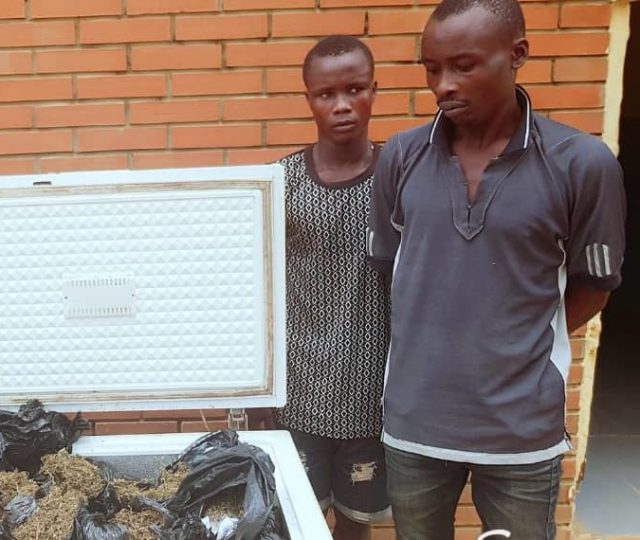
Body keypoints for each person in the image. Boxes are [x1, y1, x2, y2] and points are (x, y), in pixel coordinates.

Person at [367, 0, 626, 538]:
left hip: (520, 430)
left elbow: (595, 286)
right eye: (432, 69)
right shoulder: (401, 156)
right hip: (416, 422)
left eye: (464, 66)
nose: (443, 86)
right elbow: (392, 272)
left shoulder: (581, 162)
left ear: (517, 55)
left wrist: (512, 346)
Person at [251, 35, 391, 540]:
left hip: (374, 398)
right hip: (300, 393)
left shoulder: (398, 177)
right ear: (308, 99)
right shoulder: (282, 182)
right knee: (297, 521)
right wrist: (259, 392)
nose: (342, 105)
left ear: (374, 91)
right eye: (326, 94)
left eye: (355, 89)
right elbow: (259, 290)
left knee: (356, 525)